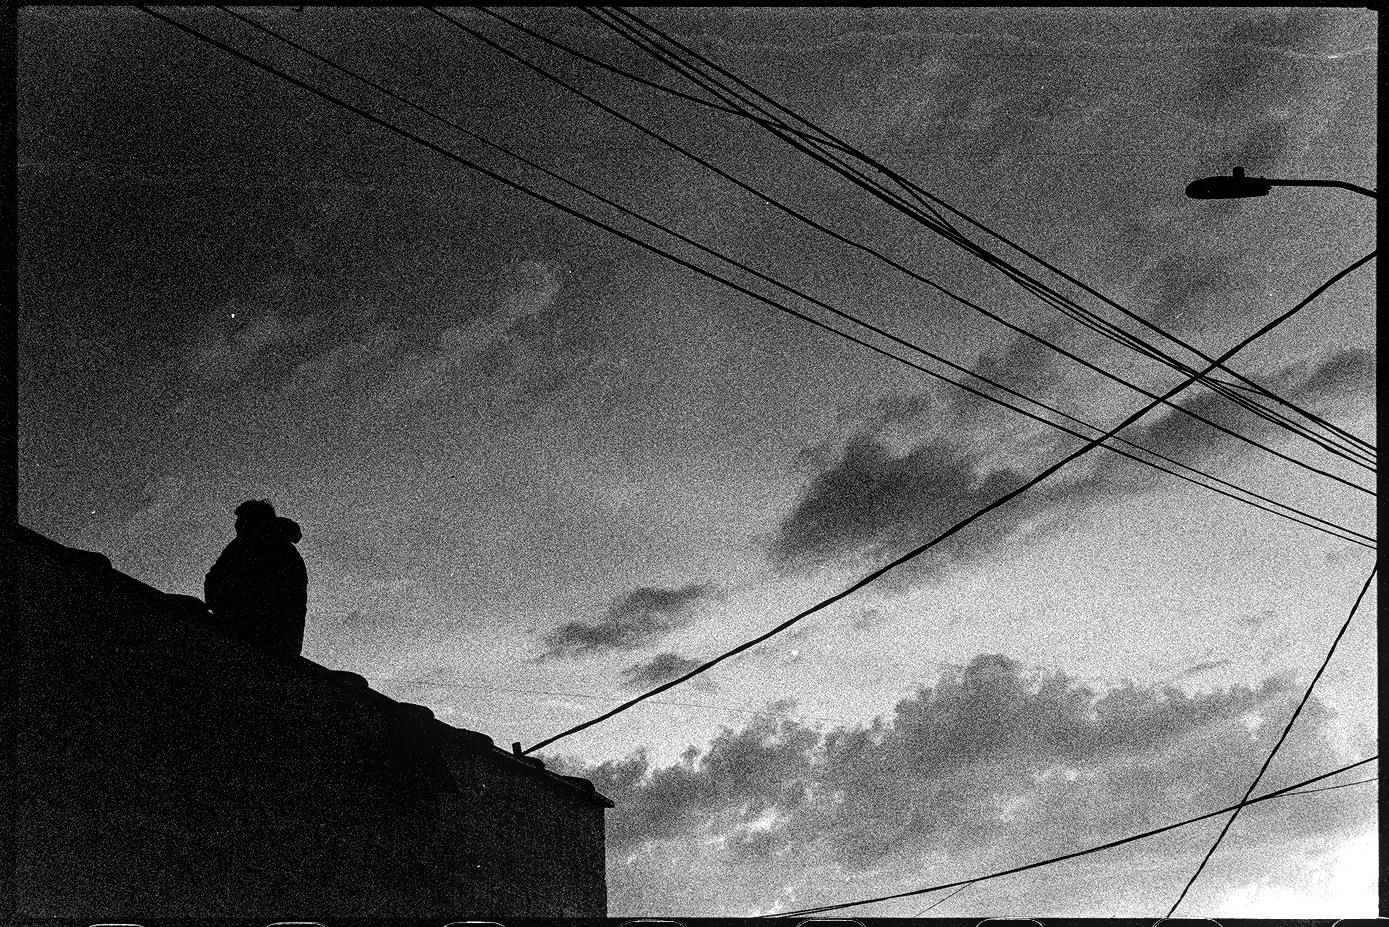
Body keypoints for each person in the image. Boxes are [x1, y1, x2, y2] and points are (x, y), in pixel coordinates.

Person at [204, 499, 307, 658]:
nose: (237, 526)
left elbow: (216, 580)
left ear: (253, 520)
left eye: (242, 520)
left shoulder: (254, 545)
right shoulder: (288, 554)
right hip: (278, 644)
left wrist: (223, 614)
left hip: (255, 640)